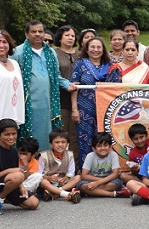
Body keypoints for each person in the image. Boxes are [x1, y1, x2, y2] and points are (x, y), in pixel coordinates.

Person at [10, 20, 76, 151]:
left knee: (47, 136)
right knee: (29, 138)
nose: (37, 34)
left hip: (48, 105)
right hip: (27, 105)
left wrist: (68, 85)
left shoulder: (50, 53)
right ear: (26, 34)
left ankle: (44, 166)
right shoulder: (18, 52)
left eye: (40, 31)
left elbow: (56, 76)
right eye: (33, 32)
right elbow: (11, 78)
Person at [71, 37, 120, 165]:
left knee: (105, 138)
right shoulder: (80, 64)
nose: (96, 50)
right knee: (85, 139)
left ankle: (106, 169)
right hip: (84, 109)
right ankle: (86, 169)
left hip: (105, 110)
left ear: (103, 50)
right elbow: (74, 87)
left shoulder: (110, 66)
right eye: (92, 47)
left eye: (99, 47)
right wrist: (74, 109)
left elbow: (116, 88)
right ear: (86, 49)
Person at [0, 119, 39, 215]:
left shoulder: (13, 151)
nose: (11, 137)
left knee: (34, 203)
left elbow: (18, 174)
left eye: (14, 134)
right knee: (18, 176)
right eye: (7, 135)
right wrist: (8, 170)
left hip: (8, 185)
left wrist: (21, 187)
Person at [54, 25, 82, 171]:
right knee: (62, 136)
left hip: (80, 101)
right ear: (60, 37)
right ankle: (60, 169)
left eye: (72, 35)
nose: (70, 38)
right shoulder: (54, 53)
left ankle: (75, 168)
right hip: (61, 100)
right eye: (67, 35)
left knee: (75, 138)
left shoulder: (80, 54)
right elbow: (54, 76)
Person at [77, 132, 131, 198]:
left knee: (116, 183)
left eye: (105, 145)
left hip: (108, 180)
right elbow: (84, 175)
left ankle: (90, 192)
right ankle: (113, 194)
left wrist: (98, 183)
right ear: (93, 148)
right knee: (82, 185)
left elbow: (115, 174)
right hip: (93, 180)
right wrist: (98, 181)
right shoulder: (90, 156)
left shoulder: (113, 155)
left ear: (110, 146)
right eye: (99, 146)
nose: (102, 148)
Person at [37, 129, 82, 203]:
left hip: (63, 182)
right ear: (51, 144)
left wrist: (65, 178)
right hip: (49, 182)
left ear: (67, 144)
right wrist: (48, 178)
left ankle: (55, 192)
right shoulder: (43, 156)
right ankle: (65, 193)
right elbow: (38, 174)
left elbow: (71, 172)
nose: (60, 145)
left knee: (78, 177)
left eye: (63, 142)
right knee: (43, 182)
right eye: (57, 142)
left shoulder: (70, 155)